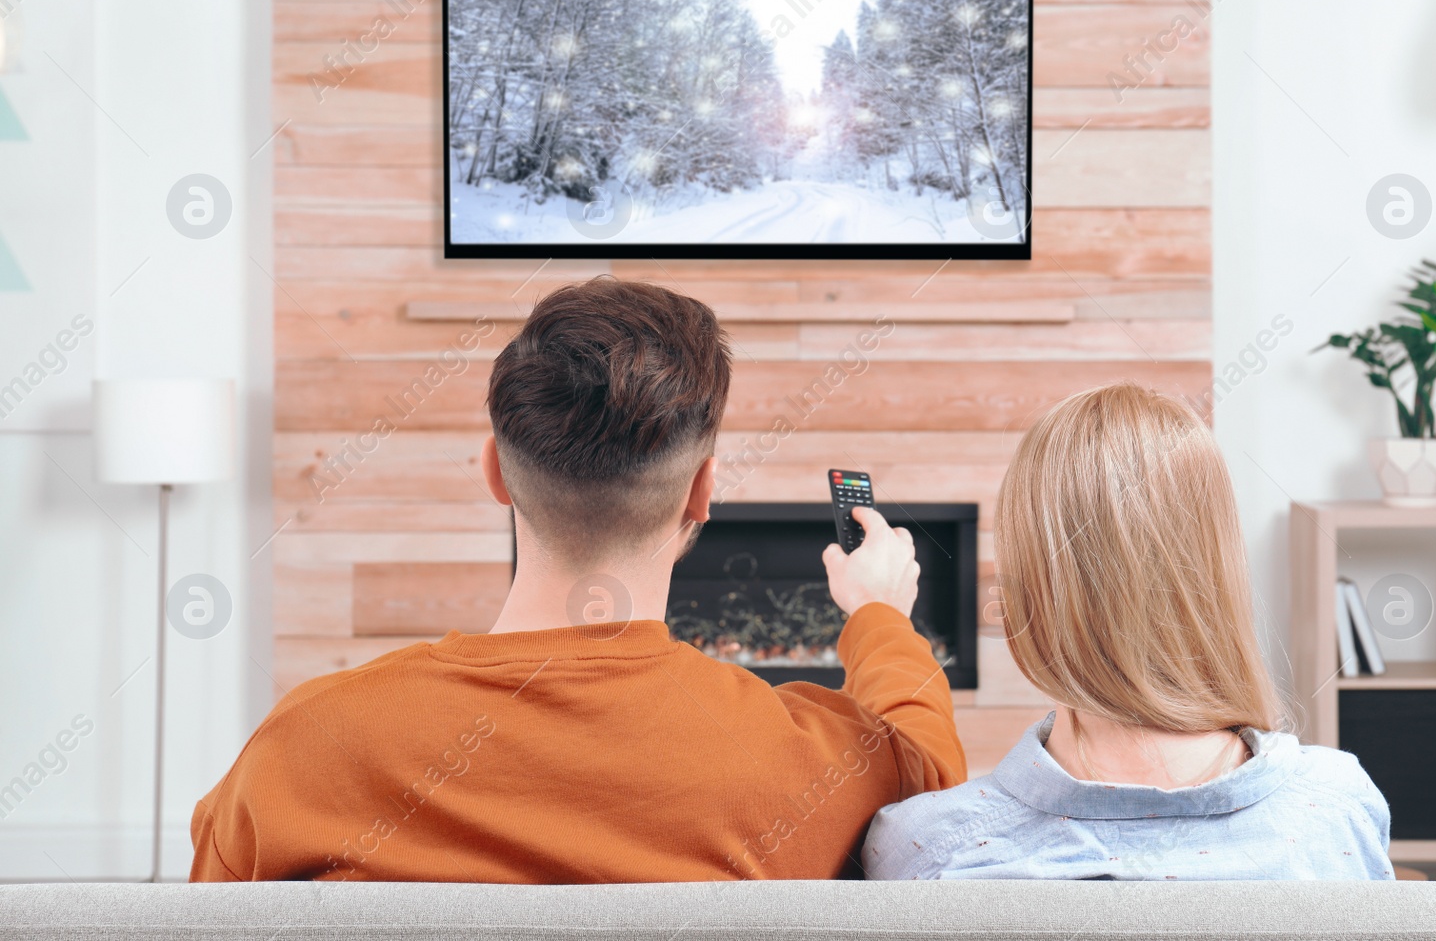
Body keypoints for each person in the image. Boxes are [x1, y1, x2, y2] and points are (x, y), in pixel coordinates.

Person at [191, 277, 964, 882]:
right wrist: (880, 615)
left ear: (495, 471)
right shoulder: (799, 766)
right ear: (702, 490)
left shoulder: (305, 747)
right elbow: (928, 771)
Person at [864, 383, 1392, 882]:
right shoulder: (1337, 808)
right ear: (1219, 566)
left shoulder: (926, 846)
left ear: (1028, 588)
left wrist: (877, 616)